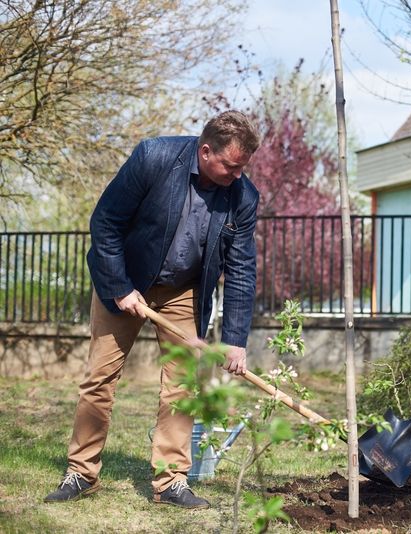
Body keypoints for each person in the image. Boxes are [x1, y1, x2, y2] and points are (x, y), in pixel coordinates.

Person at [43, 110, 262, 509]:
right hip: (126, 279)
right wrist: (121, 287)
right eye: (230, 166)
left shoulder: (243, 197)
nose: (236, 175)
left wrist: (234, 340)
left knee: (182, 385)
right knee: (100, 377)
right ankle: (81, 472)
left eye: (242, 167)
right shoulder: (154, 158)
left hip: (183, 291)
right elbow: (105, 222)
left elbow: (242, 269)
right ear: (206, 150)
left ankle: (171, 481)